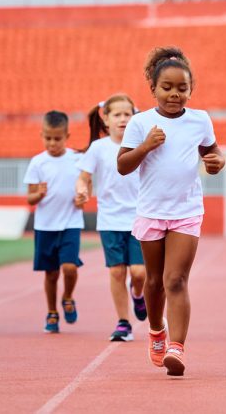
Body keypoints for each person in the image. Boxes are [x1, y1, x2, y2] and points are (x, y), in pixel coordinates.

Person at [117, 47, 225, 377]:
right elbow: (123, 166)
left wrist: (217, 163)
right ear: (153, 88)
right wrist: (146, 146)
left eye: (182, 88)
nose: (175, 94)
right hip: (151, 211)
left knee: (175, 280)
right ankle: (156, 331)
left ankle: (177, 346)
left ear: (191, 89)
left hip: (186, 210)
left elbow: (213, 155)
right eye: (167, 87)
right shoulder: (140, 123)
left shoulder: (200, 120)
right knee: (153, 282)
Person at [75, 94, 148, 342]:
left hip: (140, 218)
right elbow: (83, 177)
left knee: (139, 273)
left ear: (134, 117)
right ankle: (123, 322)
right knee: (117, 272)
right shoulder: (98, 148)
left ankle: (138, 295)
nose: (123, 119)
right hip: (109, 220)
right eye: (117, 115)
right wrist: (82, 189)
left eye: (127, 114)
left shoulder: (141, 146)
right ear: (106, 119)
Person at [25, 110, 85, 334]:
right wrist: (38, 194)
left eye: (57, 138)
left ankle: (68, 297)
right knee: (51, 273)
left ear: (67, 136)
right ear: (42, 135)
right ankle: (52, 312)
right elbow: (29, 197)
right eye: (48, 138)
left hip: (70, 222)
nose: (52, 143)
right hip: (45, 225)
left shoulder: (77, 159)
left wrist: (82, 198)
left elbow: (84, 189)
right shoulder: (37, 163)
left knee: (69, 268)